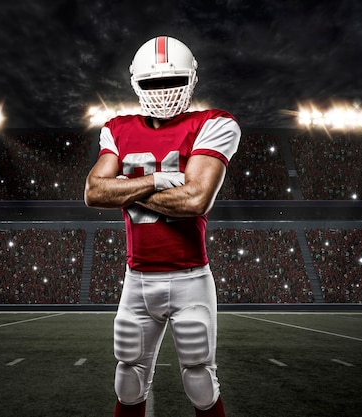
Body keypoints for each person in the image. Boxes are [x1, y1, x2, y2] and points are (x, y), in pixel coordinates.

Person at [84, 35, 240, 417]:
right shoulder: (117, 127)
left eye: (172, 82)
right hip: (136, 279)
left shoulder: (214, 124)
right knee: (128, 381)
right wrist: (157, 181)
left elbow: (194, 199)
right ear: (136, 82)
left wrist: (123, 189)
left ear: (192, 80)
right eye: (154, 83)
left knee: (200, 383)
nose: (164, 92)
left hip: (190, 278)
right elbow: (92, 191)